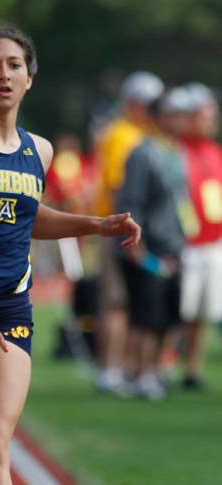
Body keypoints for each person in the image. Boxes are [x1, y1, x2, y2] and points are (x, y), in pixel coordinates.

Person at [0, 27, 140, 485]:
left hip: (6, 309)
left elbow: (26, 216)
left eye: (14, 65)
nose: (4, 74)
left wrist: (96, 225)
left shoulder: (39, 149)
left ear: (29, 78)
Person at [116, 88, 193, 400]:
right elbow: (132, 200)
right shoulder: (143, 152)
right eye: (173, 114)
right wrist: (136, 245)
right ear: (158, 117)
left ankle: (155, 371)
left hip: (174, 245)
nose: (180, 120)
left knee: (167, 315)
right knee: (146, 314)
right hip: (148, 245)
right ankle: (138, 372)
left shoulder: (177, 151)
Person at [94, 71, 164, 394]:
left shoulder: (145, 135)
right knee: (117, 302)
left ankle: (133, 367)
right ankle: (111, 368)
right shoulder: (122, 135)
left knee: (138, 303)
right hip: (118, 226)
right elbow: (121, 184)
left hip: (139, 228)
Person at [179, 83, 222, 389]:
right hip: (186, 243)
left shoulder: (215, 152)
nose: (209, 122)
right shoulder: (178, 152)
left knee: (204, 313)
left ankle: (192, 370)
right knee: (182, 310)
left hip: (212, 242)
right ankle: (162, 365)